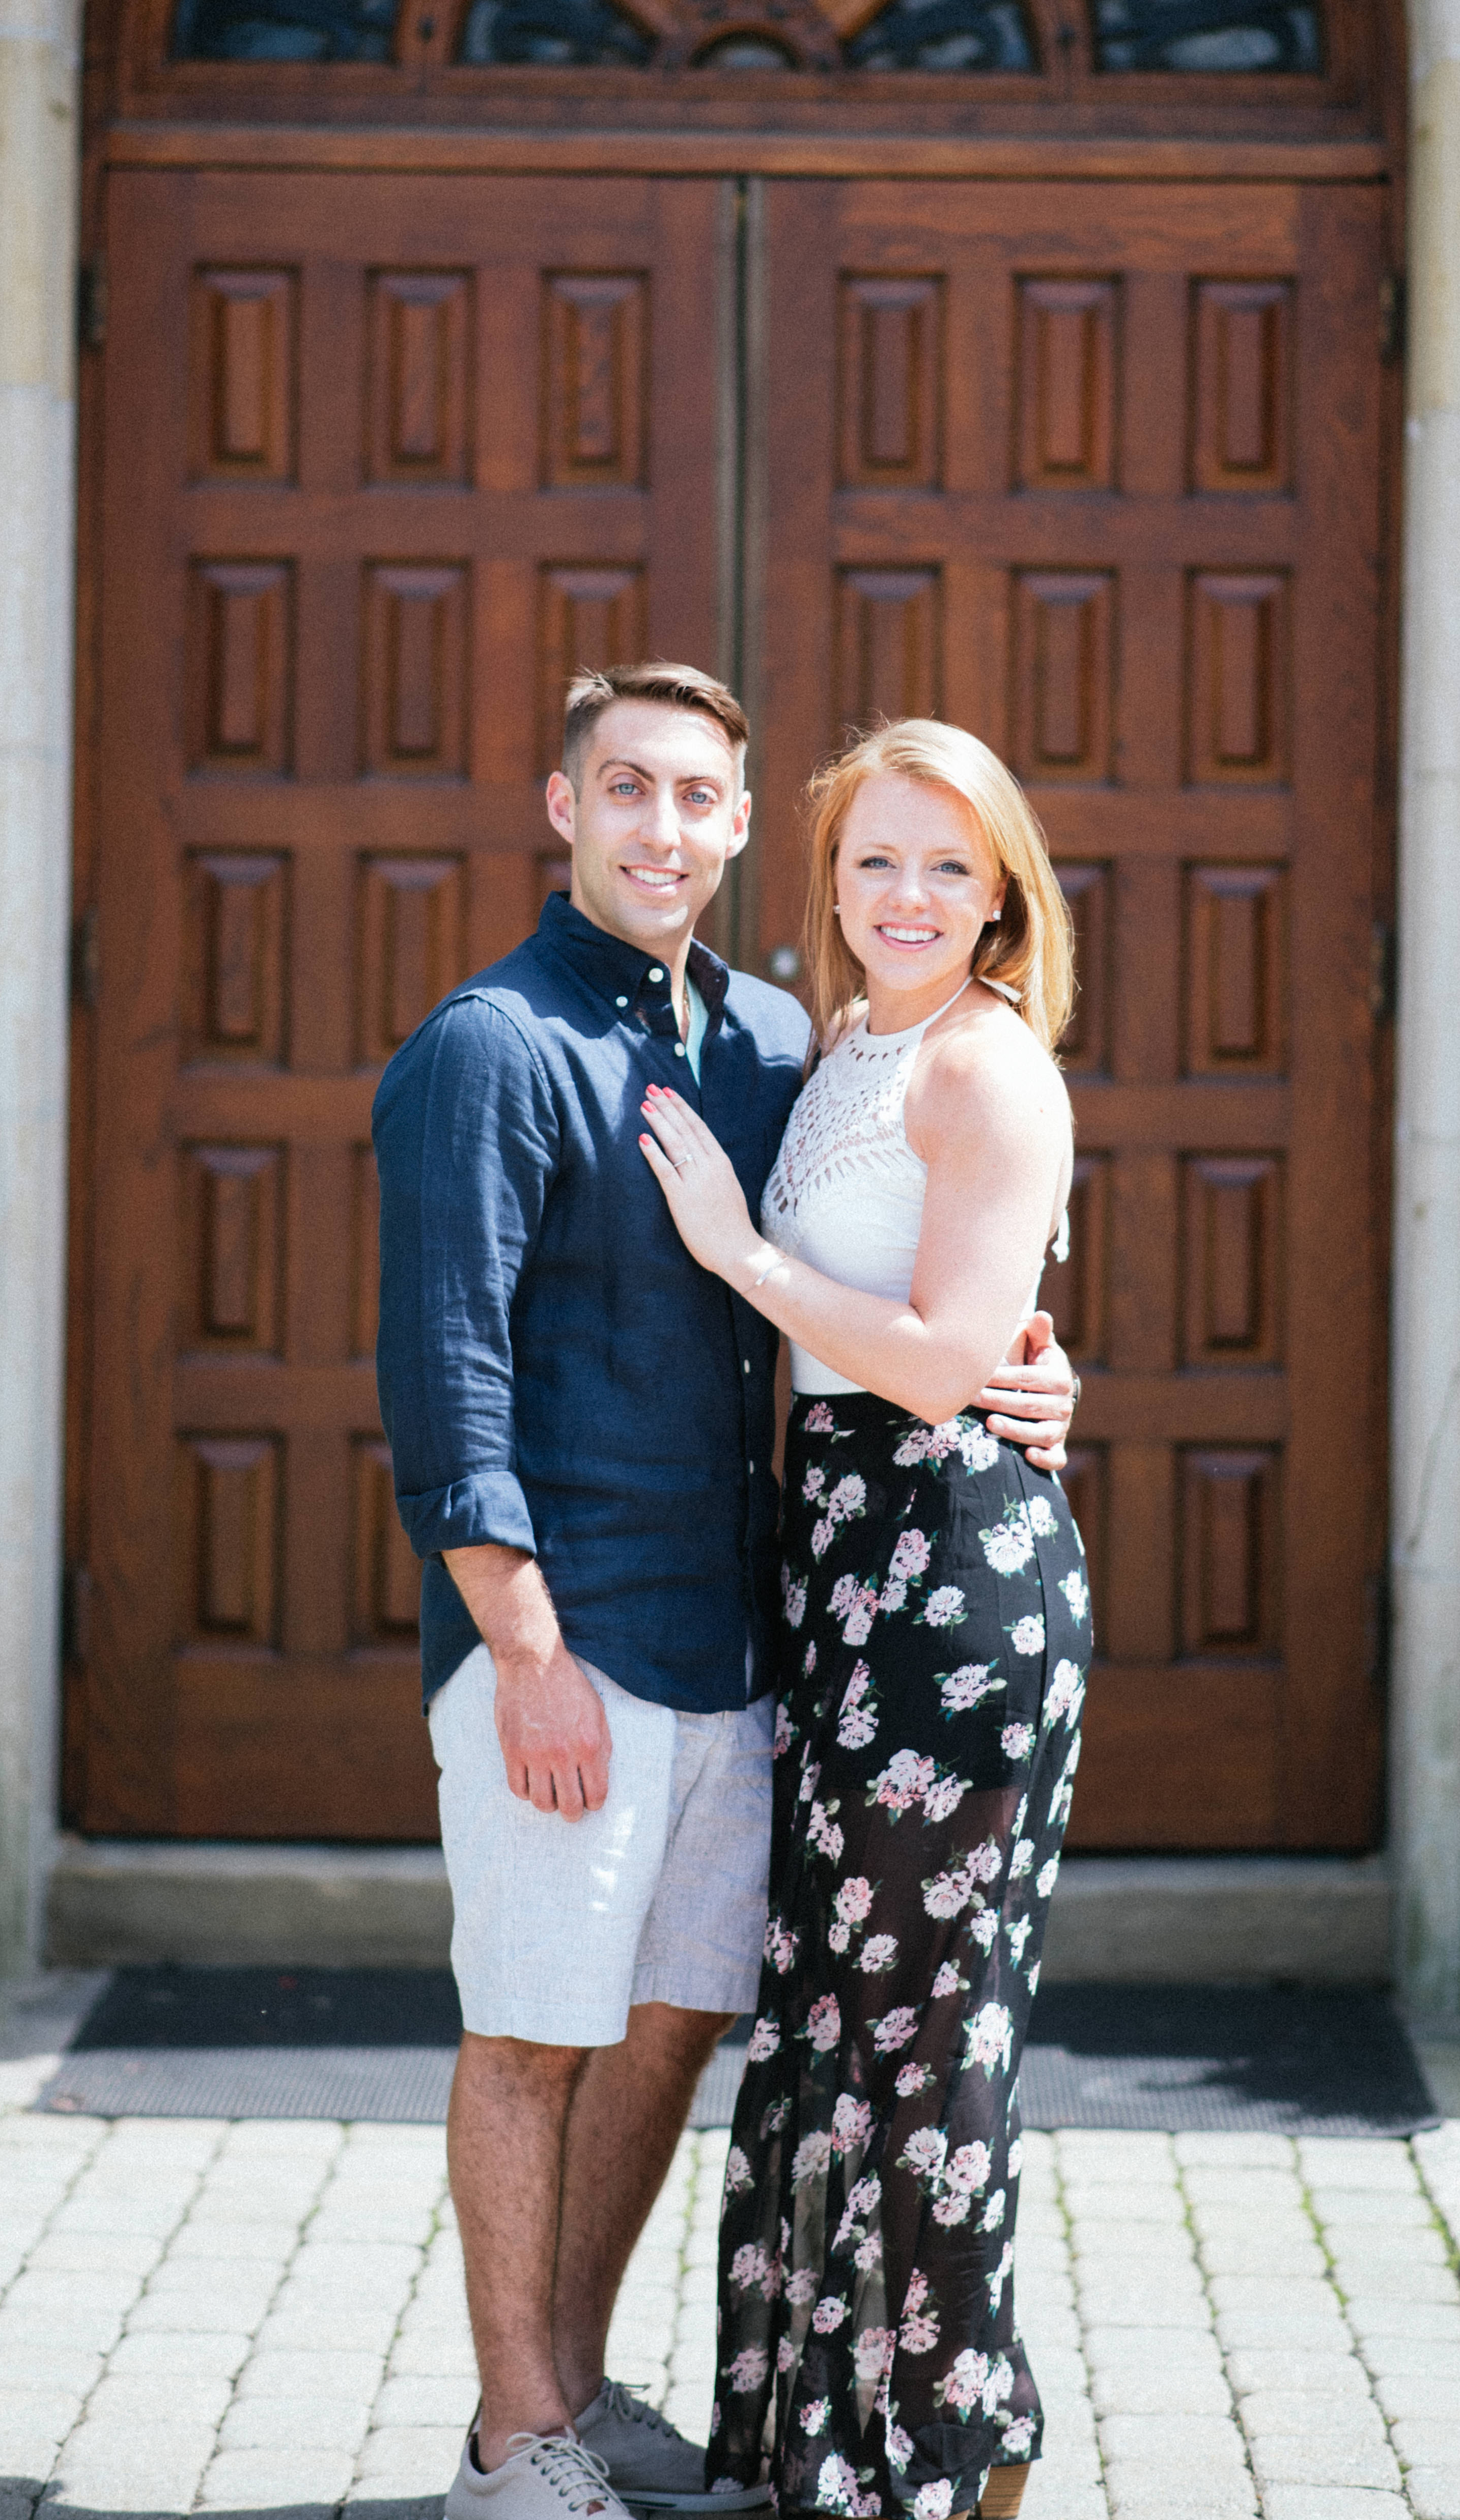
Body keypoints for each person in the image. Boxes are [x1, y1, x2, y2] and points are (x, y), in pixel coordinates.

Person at [372, 666, 1079, 2520]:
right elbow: (445, 1385)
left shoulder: (775, 1042)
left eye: (698, 797)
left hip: (760, 1643)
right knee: (533, 2030)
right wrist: (523, 1648)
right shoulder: (490, 1049)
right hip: (571, 1638)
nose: (663, 828)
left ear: (747, 828)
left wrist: (1020, 1361)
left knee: (676, 2023)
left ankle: (572, 2391)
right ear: (565, 805)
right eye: (627, 789)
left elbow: (907, 1267)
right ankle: (509, 2445)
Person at [636, 717, 1091, 2520]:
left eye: (947, 866)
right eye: (874, 859)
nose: (907, 894)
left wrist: (741, 1254)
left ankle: (951, 2453)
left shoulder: (989, 1066)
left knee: (927, 2027)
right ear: (828, 877)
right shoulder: (844, 1048)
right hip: (844, 1574)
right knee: (841, 2017)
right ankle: (851, 2438)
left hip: (951, 1592)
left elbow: (944, 1363)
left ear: (1001, 898)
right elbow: (951, 1322)